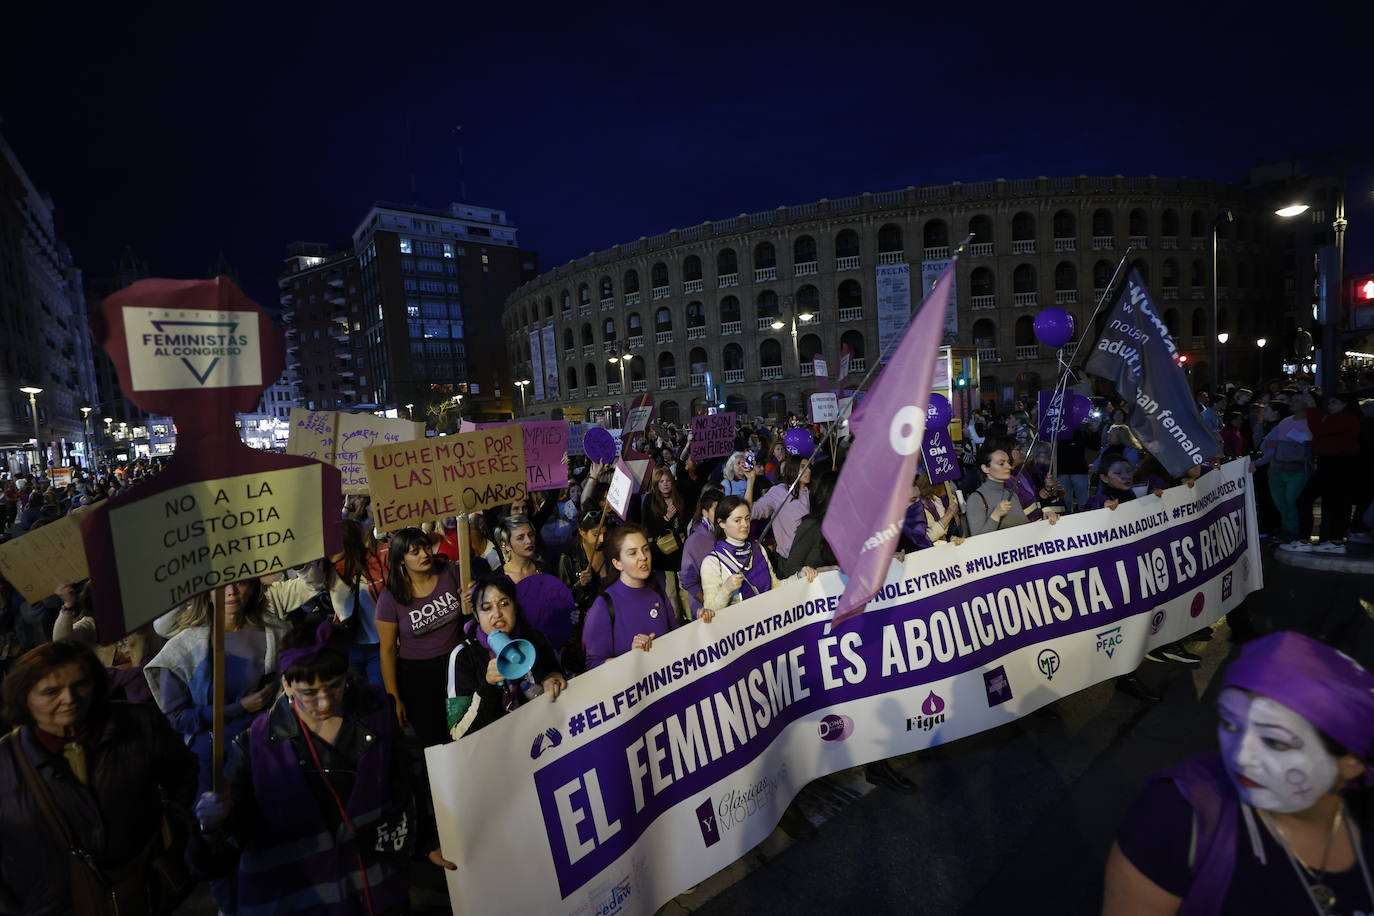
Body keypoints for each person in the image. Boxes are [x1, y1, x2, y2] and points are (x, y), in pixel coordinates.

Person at [1104, 631, 1374, 915]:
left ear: (1351, 761)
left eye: (1276, 742)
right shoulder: (1176, 815)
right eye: (1232, 725)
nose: (1241, 758)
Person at [193, 618, 430, 914]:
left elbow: (408, 783)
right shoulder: (255, 746)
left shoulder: (376, 712)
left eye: (334, 686)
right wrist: (212, 824)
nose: (323, 703)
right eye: (309, 692)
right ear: (287, 685)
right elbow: (217, 855)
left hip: (374, 894)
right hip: (296, 899)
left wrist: (429, 839)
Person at [0, 641, 196, 916]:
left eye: (80, 684)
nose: (69, 699)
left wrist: (173, 829)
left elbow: (183, 776)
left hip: (144, 893)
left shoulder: (139, 723)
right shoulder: (6, 763)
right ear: (23, 697)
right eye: (51, 691)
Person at [145, 580, 286, 793]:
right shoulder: (183, 648)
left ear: (254, 588)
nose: (230, 592)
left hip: (267, 746)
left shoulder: (277, 634)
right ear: (206, 593)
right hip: (214, 757)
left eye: (240, 583)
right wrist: (238, 708)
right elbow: (177, 719)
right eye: (220, 585)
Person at [445, 574, 566, 740]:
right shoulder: (463, 656)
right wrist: (488, 686)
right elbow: (459, 734)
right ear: (475, 614)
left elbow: (556, 677)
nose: (497, 614)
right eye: (486, 608)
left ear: (515, 606)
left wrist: (554, 678)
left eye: (504, 604)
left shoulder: (536, 639)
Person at [375, 527, 466, 747]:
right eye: (414, 552)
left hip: (459, 666)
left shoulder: (450, 571)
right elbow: (387, 651)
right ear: (401, 560)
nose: (424, 554)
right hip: (419, 678)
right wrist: (394, 696)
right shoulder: (390, 598)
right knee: (435, 740)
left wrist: (472, 593)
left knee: (466, 730)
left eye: (425, 547)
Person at [699, 495, 816, 621]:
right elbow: (710, 613)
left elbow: (775, 587)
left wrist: (799, 577)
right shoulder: (712, 562)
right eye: (737, 520)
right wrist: (726, 590)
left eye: (747, 518)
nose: (745, 524)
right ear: (722, 523)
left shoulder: (758, 548)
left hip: (769, 625)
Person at [581, 525, 674, 669]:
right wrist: (631, 657)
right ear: (617, 563)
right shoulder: (603, 606)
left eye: (646, 549)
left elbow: (677, 637)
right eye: (632, 553)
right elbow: (594, 666)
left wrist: (702, 624)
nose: (643, 557)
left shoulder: (657, 592)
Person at [1295, 392, 1361, 554]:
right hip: (1334, 463)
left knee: (1309, 499)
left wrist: (1312, 407)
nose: (1330, 406)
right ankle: (1335, 541)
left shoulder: (1345, 418)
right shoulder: (1344, 418)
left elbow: (1318, 430)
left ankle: (1308, 540)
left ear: (1344, 403)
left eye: (1334, 402)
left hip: (1335, 464)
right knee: (1336, 502)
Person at [328, 518, 388, 688]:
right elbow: (309, 578)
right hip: (350, 647)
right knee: (360, 698)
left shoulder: (374, 564)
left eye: (334, 544)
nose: (329, 550)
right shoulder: (327, 572)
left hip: (378, 645)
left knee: (379, 697)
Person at [642, 466, 689, 620]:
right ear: (656, 483)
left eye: (668, 480)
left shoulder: (679, 498)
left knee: (685, 586)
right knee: (670, 590)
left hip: (680, 548)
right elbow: (650, 528)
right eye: (661, 481)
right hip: (663, 551)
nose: (665, 484)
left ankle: (689, 617)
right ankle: (675, 620)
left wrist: (683, 534)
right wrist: (667, 518)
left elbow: (684, 521)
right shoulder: (650, 500)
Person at [750, 455, 811, 560]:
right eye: (803, 466)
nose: (808, 470)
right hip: (790, 558)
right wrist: (750, 481)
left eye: (809, 466)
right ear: (793, 468)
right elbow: (751, 512)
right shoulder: (779, 492)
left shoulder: (812, 492)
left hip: (811, 556)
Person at [680, 485, 725, 620]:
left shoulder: (727, 531)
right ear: (705, 512)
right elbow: (688, 581)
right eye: (717, 510)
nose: (722, 514)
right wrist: (712, 604)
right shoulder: (694, 541)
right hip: (705, 611)